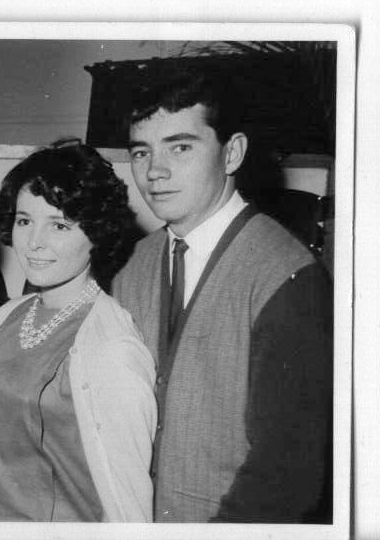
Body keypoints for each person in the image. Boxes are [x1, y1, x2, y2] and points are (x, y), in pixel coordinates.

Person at [113, 70, 333, 522]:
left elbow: (286, 473)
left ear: (232, 153)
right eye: (141, 152)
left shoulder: (287, 275)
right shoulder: (130, 265)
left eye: (180, 147)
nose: (154, 171)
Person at [0, 140, 157, 522]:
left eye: (59, 225)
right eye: (25, 221)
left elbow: (128, 503)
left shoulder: (111, 346)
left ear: (96, 233)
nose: (34, 242)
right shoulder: (8, 316)